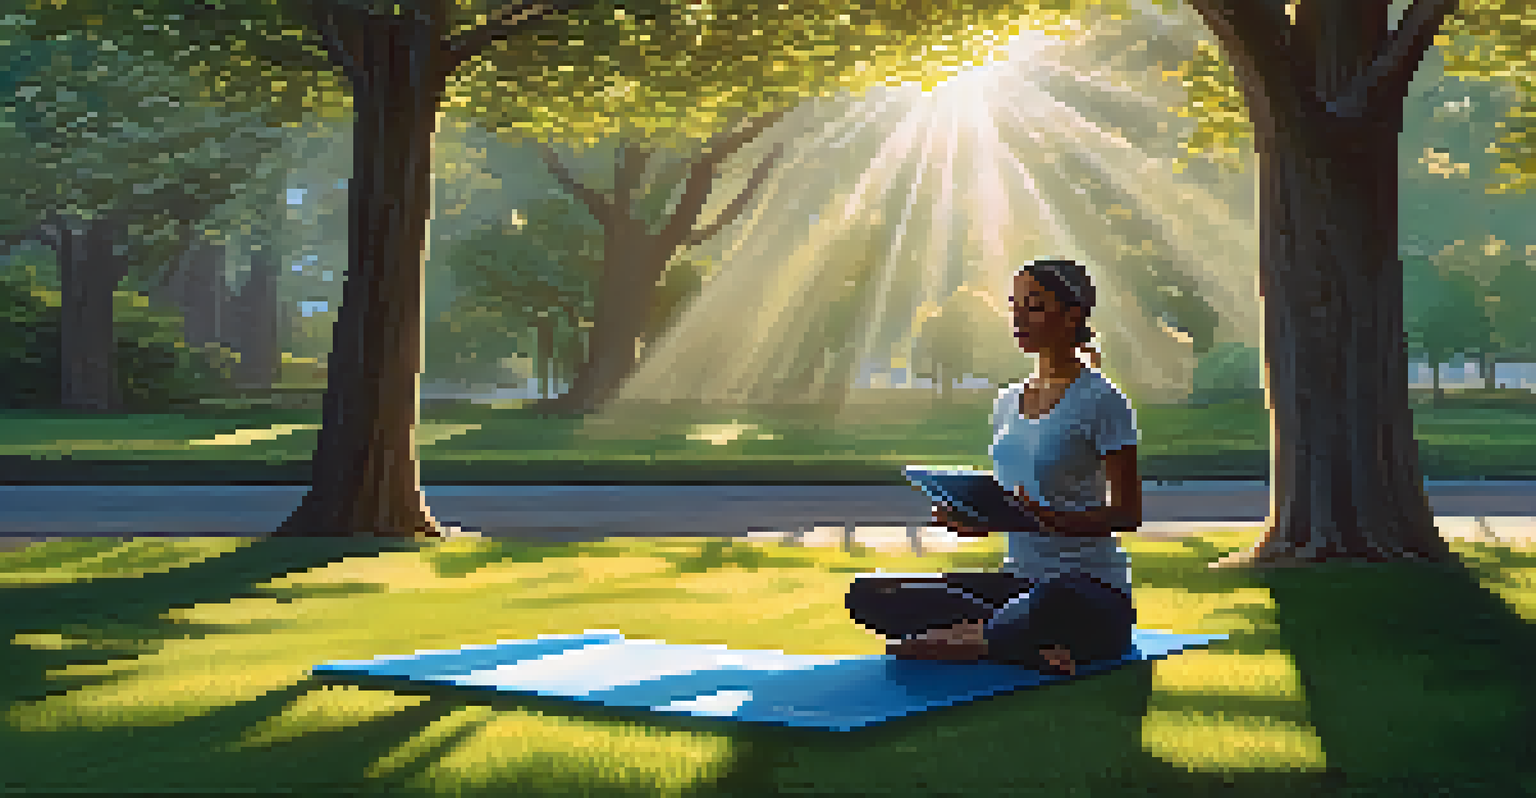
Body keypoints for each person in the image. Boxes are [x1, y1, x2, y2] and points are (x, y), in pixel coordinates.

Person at [844, 259, 1142, 676]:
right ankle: (1011, 642)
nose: (1018, 318)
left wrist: (1048, 521)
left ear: (1072, 314)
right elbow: (1010, 505)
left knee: (1053, 602)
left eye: (1034, 306)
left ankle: (982, 640)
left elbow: (1127, 515)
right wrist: (975, 522)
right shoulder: (1008, 401)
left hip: (1087, 588)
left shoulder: (1102, 401)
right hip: (1018, 581)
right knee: (871, 593)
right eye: (1014, 306)